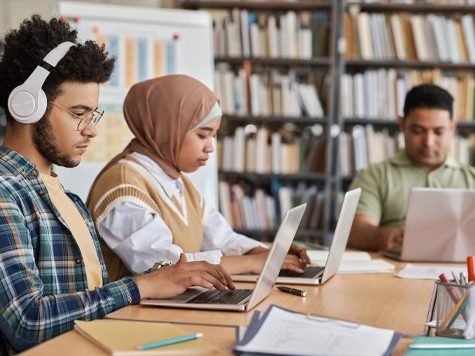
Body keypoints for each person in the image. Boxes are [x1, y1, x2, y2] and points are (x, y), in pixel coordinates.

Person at [0, 15, 234, 354]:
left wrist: (160, 282)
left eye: (93, 115)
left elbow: (93, 301)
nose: (91, 130)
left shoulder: (69, 200)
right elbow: (28, 322)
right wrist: (142, 286)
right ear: (27, 105)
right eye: (79, 113)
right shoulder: (6, 192)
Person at [86, 75, 310, 282]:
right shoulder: (123, 185)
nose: (210, 147)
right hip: (128, 316)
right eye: (202, 135)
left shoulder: (177, 182)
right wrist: (251, 263)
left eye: (213, 136)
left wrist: (268, 253)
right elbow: (168, 267)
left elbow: (224, 239)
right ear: (168, 129)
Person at [348, 84, 475, 251]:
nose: (428, 142)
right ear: (402, 124)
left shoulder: (471, 177)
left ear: (452, 128)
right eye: (417, 131)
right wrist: (386, 236)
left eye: (438, 132)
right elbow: (355, 231)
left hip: (459, 272)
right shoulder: (374, 176)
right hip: (393, 271)